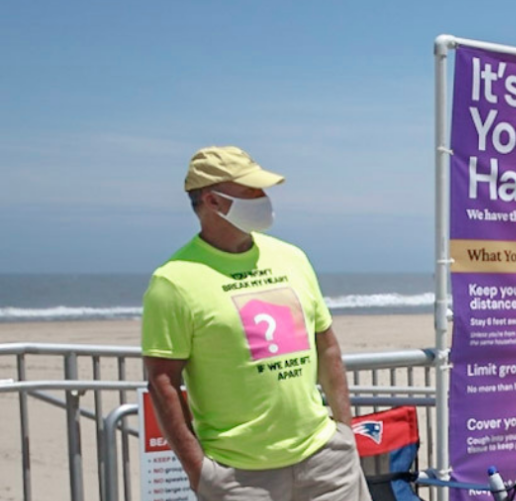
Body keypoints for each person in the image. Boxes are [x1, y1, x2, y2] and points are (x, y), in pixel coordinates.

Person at [142, 146, 371, 501]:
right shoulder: (174, 281)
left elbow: (327, 346)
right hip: (239, 477)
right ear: (213, 201)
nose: (264, 199)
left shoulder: (291, 257)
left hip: (325, 461)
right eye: (251, 191)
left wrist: (343, 431)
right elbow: (162, 381)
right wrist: (199, 470)